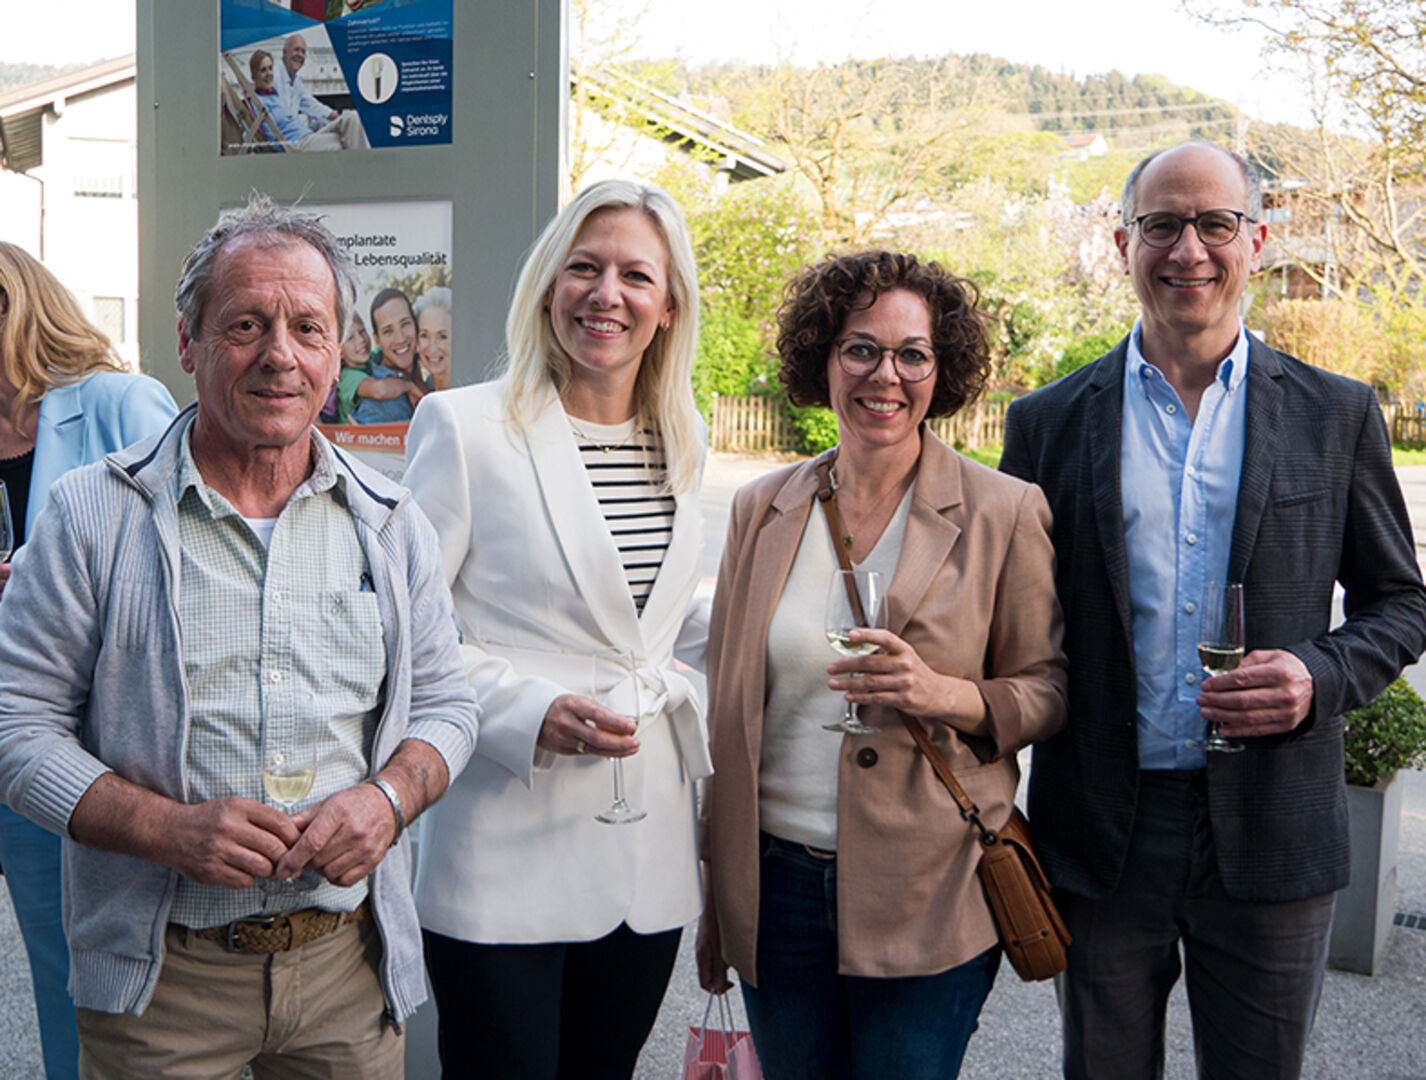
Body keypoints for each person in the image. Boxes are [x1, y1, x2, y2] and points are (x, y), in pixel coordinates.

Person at [0, 194, 479, 1079]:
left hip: (345, 969)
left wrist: (387, 801)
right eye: (246, 324)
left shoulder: (389, 521)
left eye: (308, 328)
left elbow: (448, 705)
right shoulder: (92, 516)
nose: (279, 355)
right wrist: (166, 829)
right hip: (162, 982)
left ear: (336, 353)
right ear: (189, 344)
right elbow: (15, 724)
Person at [999, 141, 1426, 1080]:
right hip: (1105, 830)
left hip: (1276, 826)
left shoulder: (1335, 413)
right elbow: (1005, 623)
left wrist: (1317, 674)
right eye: (1161, 225)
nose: (1187, 248)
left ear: (1256, 241)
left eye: (1215, 224)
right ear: (1124, 244)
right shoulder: (1046, 423)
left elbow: (1401, 601)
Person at [696, 251, 1068, 1080]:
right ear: (823, 360)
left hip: (931, 889)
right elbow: (728, 708)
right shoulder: (761, 508)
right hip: (776, 890)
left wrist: (940, 694)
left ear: (943, 369)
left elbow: (1048, 691)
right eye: (860, 349)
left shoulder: (1004, 511)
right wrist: (717, 889)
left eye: (913, 354)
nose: (885, 375)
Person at [402, 178, 711, 1079]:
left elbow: (650, 622)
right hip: (503, 844)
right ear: (548, 287)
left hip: (644, 855)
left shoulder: (681, 437)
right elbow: (406, 629)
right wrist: (526, 709)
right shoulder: (464, 427)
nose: (606, 294)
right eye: (584, 268)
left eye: (635, 275)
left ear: (668, 306)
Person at [0, 242, 177, 1080]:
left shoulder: (116, 403)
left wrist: (48, 582)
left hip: (77, 739)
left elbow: (186, 551)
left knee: (83, 971)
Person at [249, 49, 368, 152]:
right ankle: (365, 166)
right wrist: (289, 148)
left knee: (353, 117)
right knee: (341, 142)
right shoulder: (259, 102)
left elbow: (310, 104)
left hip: (310, 135)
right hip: (300, 144)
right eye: (263, 70)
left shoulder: (274, 96)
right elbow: (270, 136)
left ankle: (364, 162)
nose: (269, 73)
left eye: (270, 68)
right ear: (254, 75)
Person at [351, 288, 427, 424]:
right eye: (388, 331)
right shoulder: (376, 404)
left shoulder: (426, 369)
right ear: (377, 340)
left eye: (405, 324)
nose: (400, 339)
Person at [276, 33, 336, 128]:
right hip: (285, 133)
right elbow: (280, 118)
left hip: (292, 130)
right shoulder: (275, 78)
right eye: (296, 50)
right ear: (284, 53)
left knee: (325, 124)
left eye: (303, 52)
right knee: (327, 128)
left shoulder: (295, 82)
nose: (300, 55)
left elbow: (312, 105)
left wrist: (337, 117)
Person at [333, 311, 373, 423]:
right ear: (340, 352)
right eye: (351, 338)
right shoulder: (347, 378)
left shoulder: (370, 360)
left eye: (362, 331)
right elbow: (380, 390)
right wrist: (407, 386)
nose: (361, 340)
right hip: (351, 432)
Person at [414, 286, 451, 391]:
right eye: (424, 335)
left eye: (442, 336)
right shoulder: (422, 392)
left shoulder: (472, 389)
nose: (432, 348)